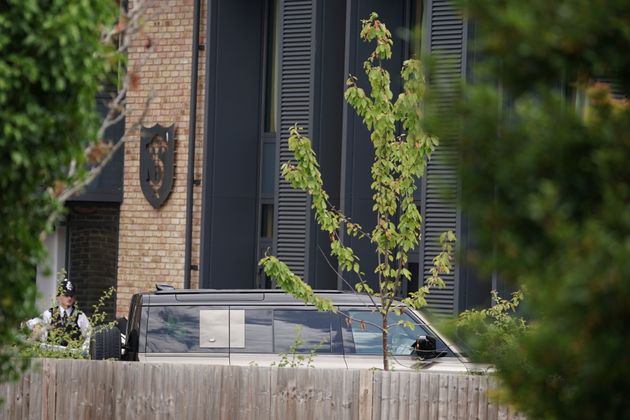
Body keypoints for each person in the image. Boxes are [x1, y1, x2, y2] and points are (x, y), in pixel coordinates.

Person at [26, 279, 91, 350]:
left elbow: (89, 336)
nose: (69, 298)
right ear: (59, 296)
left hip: (74, 356)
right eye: (66, 295)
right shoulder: (49, 314)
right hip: (51, 355)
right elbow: (37, 330)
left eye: (71, 296)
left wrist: (83, 350)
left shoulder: (80, 316)